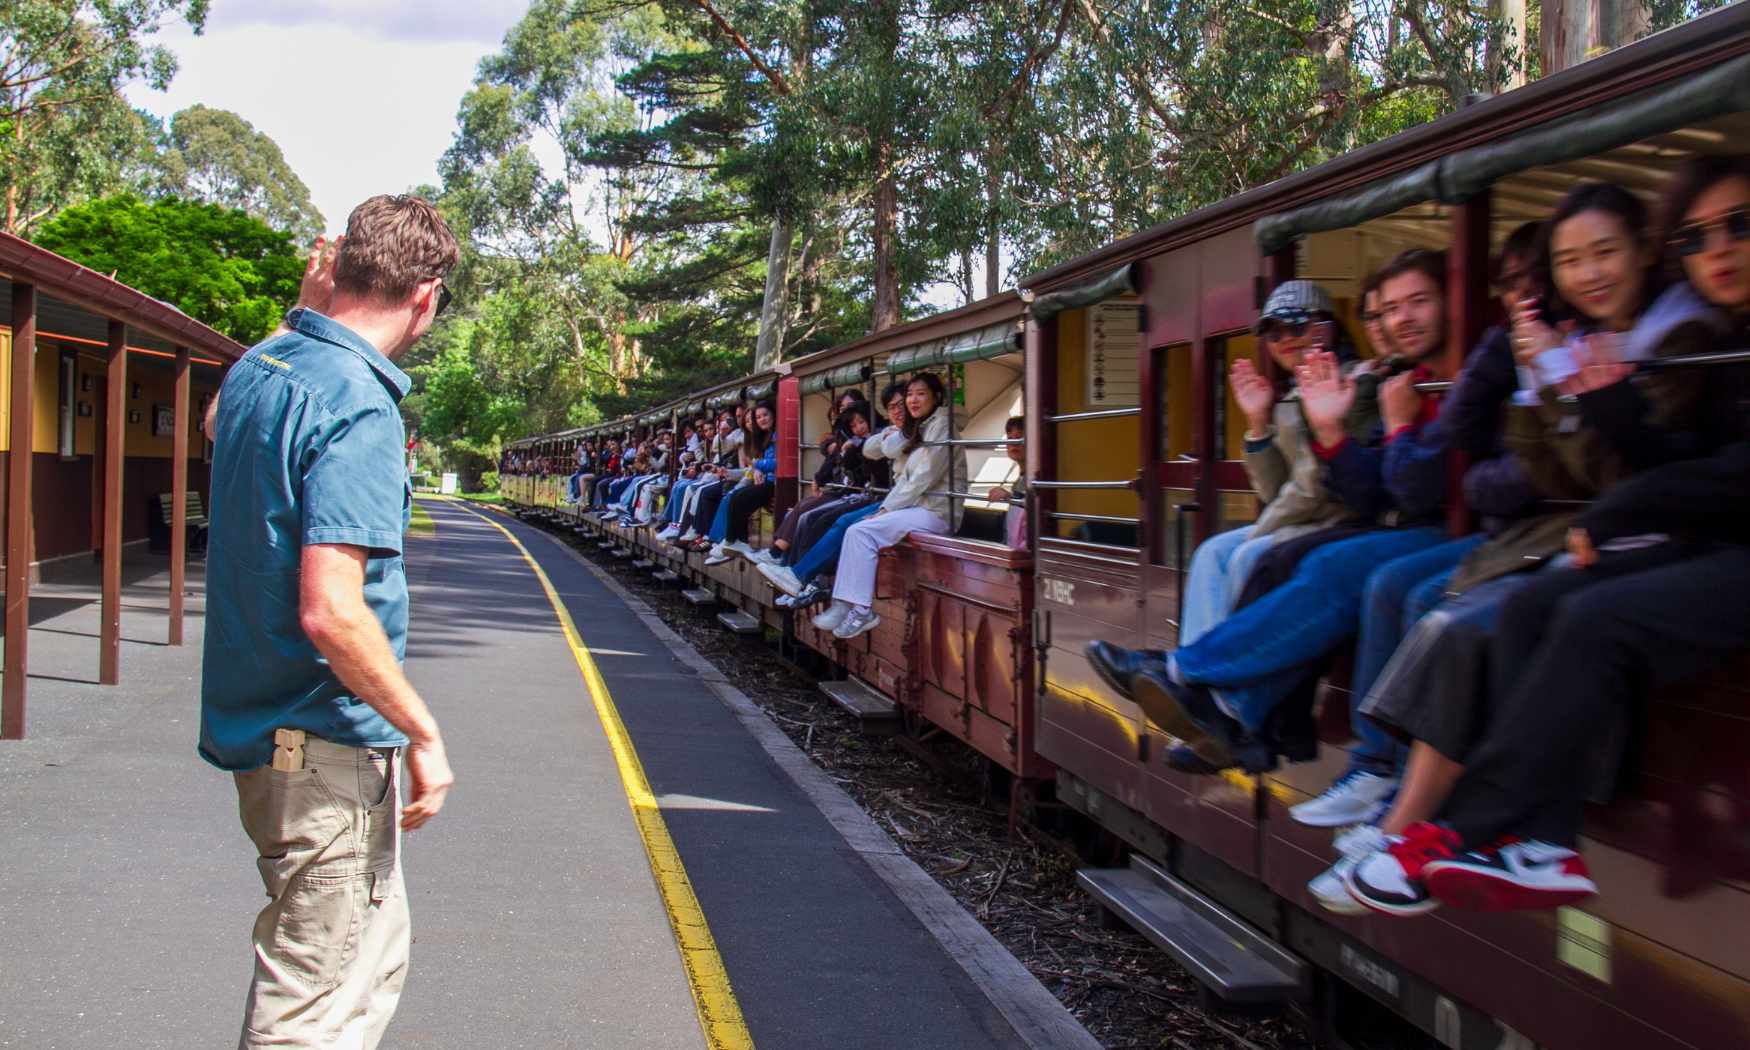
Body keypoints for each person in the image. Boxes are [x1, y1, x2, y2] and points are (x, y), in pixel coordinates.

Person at [1344, 155, 1750, 916]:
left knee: (1587, 616)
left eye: (1739, 226)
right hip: (1702, 536)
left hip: (1718, 544)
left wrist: (1603, 493)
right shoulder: (1710, 331)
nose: (1718, 250)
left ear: (1639, 253)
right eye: (1697, 237)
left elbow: (1724, 472)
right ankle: (1545, 843)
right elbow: (1678, 461)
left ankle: (1463, 828)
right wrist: (1592, 402)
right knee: (1535, 605)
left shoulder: (1688, 334)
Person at [202, 196, 457, 1049]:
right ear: (425, 296)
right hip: (324, 744)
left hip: (266, 731)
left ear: (336, 271)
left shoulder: (264, 367)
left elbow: (215, 423)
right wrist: (421, 729)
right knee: (314, 1000)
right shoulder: (359, 404)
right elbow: (333, 610)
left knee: (364, 964)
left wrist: (299, 314)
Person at [1120, 250, 1461, 771]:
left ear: (1327, 327)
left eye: (1297, 326)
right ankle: (1202, 708)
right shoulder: (1292, 396)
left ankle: (1230, 705)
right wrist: (1258, 425)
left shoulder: (1355, 382)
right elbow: (1278, 485)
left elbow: (1319, 489)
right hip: (1316, 514)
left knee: (1252, 556)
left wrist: (1268, 527)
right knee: (1213, 552)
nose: (1285, 339)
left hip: (1342, 518)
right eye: (1274, 331)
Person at [812, 372, 966, 640]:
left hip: (937, 510)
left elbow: (925, 476)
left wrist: (888, 508)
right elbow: (873, 451)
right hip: (916, 507)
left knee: (862, 531)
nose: (913, 400)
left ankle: (861, 610)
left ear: (937, 397)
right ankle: (844, 603)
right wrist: (890, 433)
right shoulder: (918, 426)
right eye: (909, 395)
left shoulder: (942, 425)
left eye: (921, 394)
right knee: (856, 529)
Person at [758, 383, 906, 604]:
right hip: (860, 491)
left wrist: (853, 450)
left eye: (860, 421)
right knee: (806, 513)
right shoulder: (855, 439)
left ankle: (806, 579)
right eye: (852, 422)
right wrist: (840, 456)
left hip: (871, 494)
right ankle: (791, 573)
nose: (858, 427)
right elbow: (838, 462)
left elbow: (880, 475)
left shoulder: (879, 437)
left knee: (826, 519)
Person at [705, 401, 778, 564]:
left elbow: (779, 462)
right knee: (736, 496)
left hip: (775, 482)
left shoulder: (776, 436)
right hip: (765, 480)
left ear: (773, 415)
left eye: (765, 415)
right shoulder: (763, 437)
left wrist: (757, 464)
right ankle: (733, 541)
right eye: (758, 417)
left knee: (739, 497)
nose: (762, 419)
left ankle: (732, 541)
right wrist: (757, 467)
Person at [986, 416, 1028, 549]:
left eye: (1019, 438)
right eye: (1010, 438)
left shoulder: (1037, 478)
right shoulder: (1020, 480)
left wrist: (1008, 497)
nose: (1014, 444)